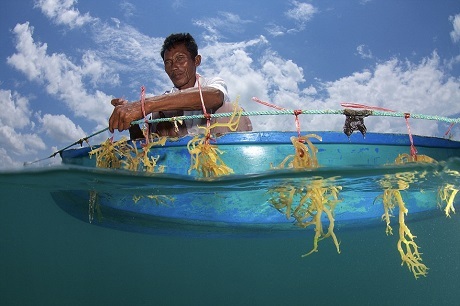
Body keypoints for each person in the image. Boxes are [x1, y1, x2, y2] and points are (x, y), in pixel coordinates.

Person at [109, 33, 252, 138]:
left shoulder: (212, 84)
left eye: (180, 59)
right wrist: (131, 122)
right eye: (168, 62)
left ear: (196, 61)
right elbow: (143, 146)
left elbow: (215, 97)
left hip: (216, 161)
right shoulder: (163, 102)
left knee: (231, 110)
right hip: (178, 166)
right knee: (159, 116)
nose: (174, 67)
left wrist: (145, 105)